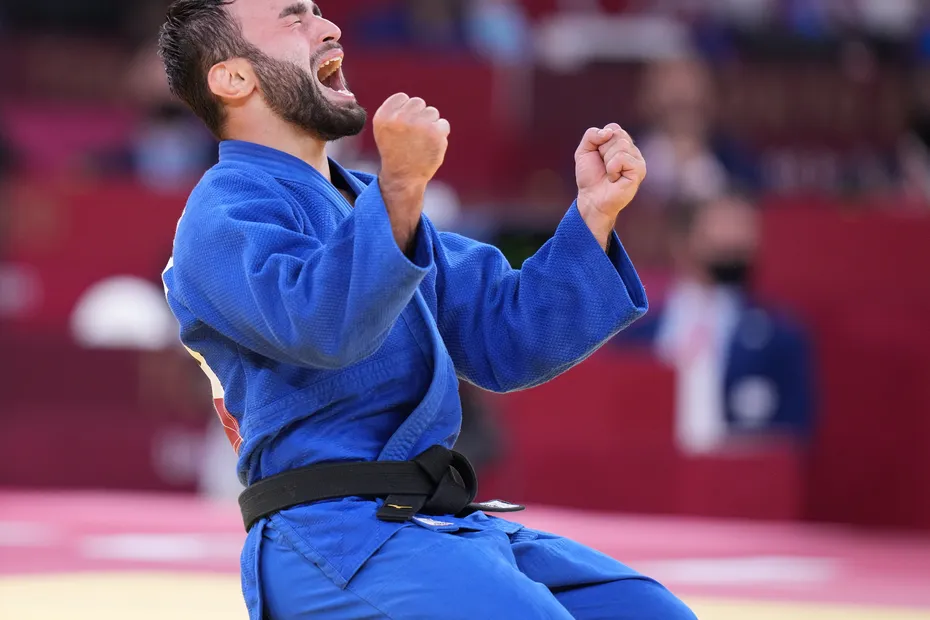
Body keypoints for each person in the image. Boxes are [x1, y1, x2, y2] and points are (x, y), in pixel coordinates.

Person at [157, 1, 695, 618]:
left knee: (649, 611)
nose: (328, 27)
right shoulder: (221, 212)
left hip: (429, 525)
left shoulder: (365, 203)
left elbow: (505, 337)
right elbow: (323, 324)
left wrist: (594, 218)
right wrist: (401, 187)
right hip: (328, 537)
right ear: (233, 77)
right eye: (293, 17)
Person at [614, 195, 814, 453]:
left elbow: (793, 433)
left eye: (746, 230)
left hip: (739, 479)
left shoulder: (781, 335)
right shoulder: (634, 336)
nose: (735, 241)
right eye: (723, 227)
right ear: (682, 241)